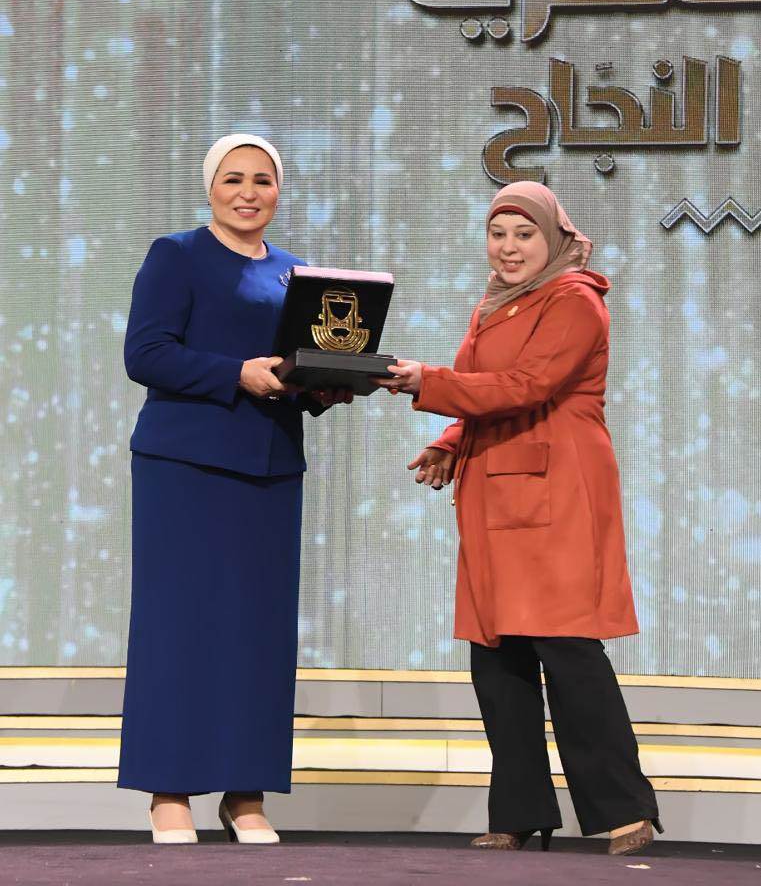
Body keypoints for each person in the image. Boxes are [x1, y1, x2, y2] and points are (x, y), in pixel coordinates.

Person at [377, 181, 662, 857]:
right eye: (497, 233)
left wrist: (425, 381)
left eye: (523, 234)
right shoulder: (497, 302)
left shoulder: (574, 300)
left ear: (554, 238)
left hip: (555, 493)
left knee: (567, 650)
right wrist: (451, 441)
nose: (508, 248)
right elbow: (484, 392)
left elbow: (529, 385)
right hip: (496, 491)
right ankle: (519, 810)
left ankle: (624, 810)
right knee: (498, 656)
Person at [118, 133, 351, 844]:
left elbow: (296, 369)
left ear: (279, 191)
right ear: (209, 187)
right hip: (184, 468)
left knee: (258, 634)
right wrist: (233, 374)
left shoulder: (298, 273)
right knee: (178, 627)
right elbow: (145, 353)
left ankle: (245, 794)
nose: (248, 193)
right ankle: (168, 791)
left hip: (269, 467)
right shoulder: (176, 255)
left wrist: (328, 385)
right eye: (233, 179)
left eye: (262, 180)